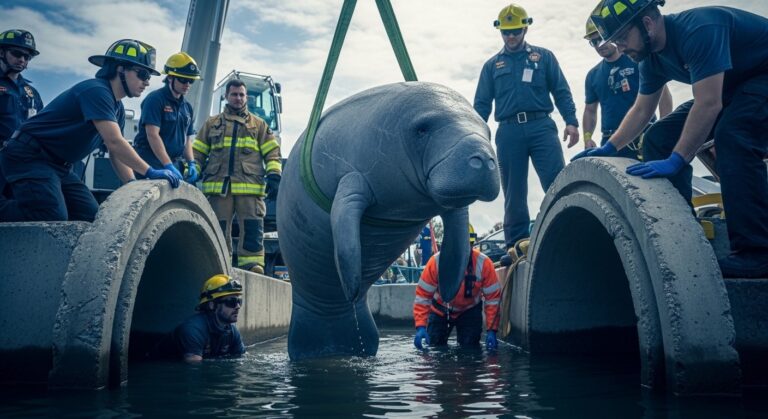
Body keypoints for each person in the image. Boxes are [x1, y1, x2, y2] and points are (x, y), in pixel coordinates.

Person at [573, 0, 768, 278]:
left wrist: (678, 159)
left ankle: (757, 251)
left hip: (761, 76)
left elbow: (709, 103)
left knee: (734, 135)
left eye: (623, 38)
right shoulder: (649, 59)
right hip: (732, 87)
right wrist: (610, 147)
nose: (620, 47)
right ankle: (682, 232)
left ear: (647, 24)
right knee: (658, 137)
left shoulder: (699, 30)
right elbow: (642, 110)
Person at [0, 39, 180, 222]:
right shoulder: (96, 91)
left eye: (148, 77)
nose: (147, 82)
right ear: (120, 69)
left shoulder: (117, 108)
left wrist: (131, 184)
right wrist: (150, 171)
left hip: (58, 165)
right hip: (29, 156)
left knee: (91, 217)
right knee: (50, 216)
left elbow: (116, 153)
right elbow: (115, 142)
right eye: (142, 74)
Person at [474, 4, 580, 252]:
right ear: (500, 32)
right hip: (508, 131)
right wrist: (477, 136)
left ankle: (570, 230)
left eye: (516, 31)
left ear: (525, 29)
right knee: (513, 190)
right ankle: (516, 244)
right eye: (506, 32)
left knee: (556, 181)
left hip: (541, 126)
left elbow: (561, 91)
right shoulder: (492, 66)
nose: (511, 37)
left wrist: (571, 121)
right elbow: (481, 105)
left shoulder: (544, 57)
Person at [193, 79, 282, 274]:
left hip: (250, 186)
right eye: (234, 94)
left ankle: (252, 265)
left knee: (252, 227)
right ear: (226, 96)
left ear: (246, 97)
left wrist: (274, 174)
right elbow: (197, 152)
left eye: (242, 95)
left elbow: (272, 153)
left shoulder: (259, 125)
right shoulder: (212, 124)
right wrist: (193, 169)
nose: (238, 98)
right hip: (219, 187)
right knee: (218, 227)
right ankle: (218, 263)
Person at [582, 13, 673, 158]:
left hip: (644, 135)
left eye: (601, 38)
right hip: (610, 141)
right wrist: (587, 138)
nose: (599, 45)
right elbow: (590, 111)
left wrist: (663, 129)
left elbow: (663, 95)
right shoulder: (593, 75)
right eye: (594, 42)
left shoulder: (637, 59)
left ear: (611, 34)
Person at [413, 225, 501, 350]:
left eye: (467, 246)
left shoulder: (484, 264)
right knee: (434, 347)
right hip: (439, 310)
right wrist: (421, 326)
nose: (462, 251)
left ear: (472, 245)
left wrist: (492, 329)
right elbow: (423, 296)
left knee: (470, 349)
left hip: (469, 311)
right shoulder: (436, 262)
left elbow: (492, 299)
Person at [133, 52, 201, 184]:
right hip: (151, 162)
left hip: (173, 163)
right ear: (170, 77)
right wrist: (167, 165)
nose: (187, 84)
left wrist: (191, 163)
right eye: (183, 79)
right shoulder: (155, 99)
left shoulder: (187, 107)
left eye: (191, 80)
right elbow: (152, 135)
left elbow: (187, 140)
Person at [151, 274, 245, 362]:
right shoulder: (192, 330)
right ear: (212, 305)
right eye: (231, 302)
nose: (238, 306)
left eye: (239, 301)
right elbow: (194, 368)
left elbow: (241, 359)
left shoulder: (232, 332)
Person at [0, 29, 43, 145]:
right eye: (17, 54)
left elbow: (41, 126)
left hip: (24, 154)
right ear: (1, 53)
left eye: (27, 57)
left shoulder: (32, 93)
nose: (22, 60)